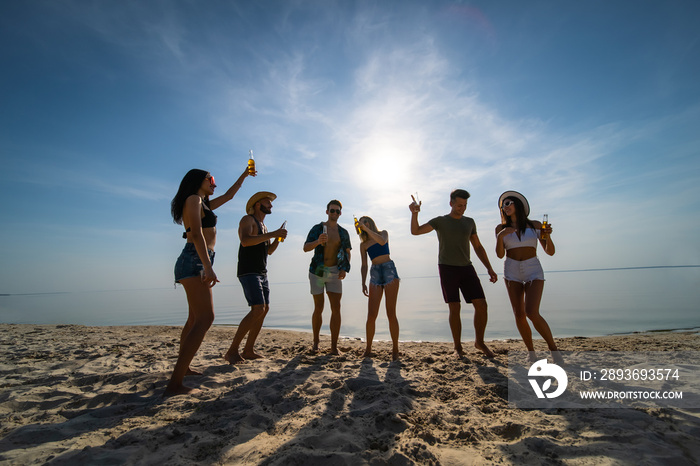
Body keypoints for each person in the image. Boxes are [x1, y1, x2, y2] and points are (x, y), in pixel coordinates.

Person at [166, 167, 252, 396]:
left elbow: (229, 196)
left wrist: (244, 175)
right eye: (211, 179)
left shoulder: (203, 203)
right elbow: (195, 235)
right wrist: (207, 267)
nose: (214, 183)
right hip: (194, 260)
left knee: (194, 318)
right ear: (198, 181)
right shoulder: (193, 199)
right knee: (206, 318)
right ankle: (174, 383)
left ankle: (183, 370)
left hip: (197, 260)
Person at [410, 189, 498, 359]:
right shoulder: (440, 221)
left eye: (465, 205)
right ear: (451, 203)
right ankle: (457, 347)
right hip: (447, 268)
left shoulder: (469, 222)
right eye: (459, 205)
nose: (462, 208)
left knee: (481, 305)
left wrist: (489, 267)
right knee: (454, 307)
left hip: (467, 267)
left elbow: (478, 247)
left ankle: (479, 342)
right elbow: (416, 231)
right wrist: (414, 213)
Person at [495, 191, 562, 364]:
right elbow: (499, 254)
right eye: (503, 205)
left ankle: (553, 349)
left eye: (508, 203)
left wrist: (549, 235)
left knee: (531, 312)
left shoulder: (535, 225)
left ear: (518, 204)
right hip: (511, 270)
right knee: (519, 314)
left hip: (533, 269)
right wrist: (500, 237)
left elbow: (550, 251)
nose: (505, 206)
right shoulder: (500, 229)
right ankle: (531, 352)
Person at [224, 191, 287, 364]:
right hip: (248, 270)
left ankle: (249, 349)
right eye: (268, 202)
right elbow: (245, 241)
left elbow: (268, 251)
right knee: (257, 308)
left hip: (261, 271)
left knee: (264, 310)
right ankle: (232, 351)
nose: (271, 205)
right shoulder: (248, 220)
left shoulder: (264, 227)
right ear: (258, 204)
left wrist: (277, 239)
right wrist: (273, 234)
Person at [303, 200, 352, 355]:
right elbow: (305, 247)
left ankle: (333, 346)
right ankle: (316, 342)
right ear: (327, 212)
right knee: (319, 307)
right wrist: (318, 241)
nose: (335, 213)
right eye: (332, 211)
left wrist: (345, 268)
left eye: (337, 211)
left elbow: (347, 251)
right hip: (317, 271)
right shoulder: (317, 228)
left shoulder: (343, 232)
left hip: (334, 271)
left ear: (340, 213)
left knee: (336, 308)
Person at [358, 216, 400, 361]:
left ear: (371, 223)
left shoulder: (383, 233)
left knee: (391, 313)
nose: (364, 224)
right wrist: (363, 282)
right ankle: (368, 349)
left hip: (389, 270)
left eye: (366, 221)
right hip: (375, 273)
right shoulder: (363, 245)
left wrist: (367, 230)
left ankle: (395, 349)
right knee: (371, 315)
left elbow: (382, 242)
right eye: (361, 223)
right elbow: (364, 265)